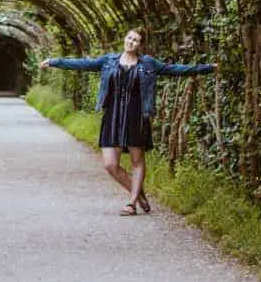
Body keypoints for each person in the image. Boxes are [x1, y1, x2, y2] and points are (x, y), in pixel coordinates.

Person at [40, 28, 216, 216]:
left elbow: (175, 70)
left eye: (136, 40)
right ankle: (138, 193)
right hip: (112, 116)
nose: (131, 42)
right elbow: (83, 64)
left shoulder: (148, 64)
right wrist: (54, 62)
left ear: (141, 45)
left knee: (137, 161)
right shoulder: (109, 61)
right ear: (125, 39)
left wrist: (207, 68)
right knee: (110, 164)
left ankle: (131, 203)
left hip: (136, 116)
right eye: (129, 38)